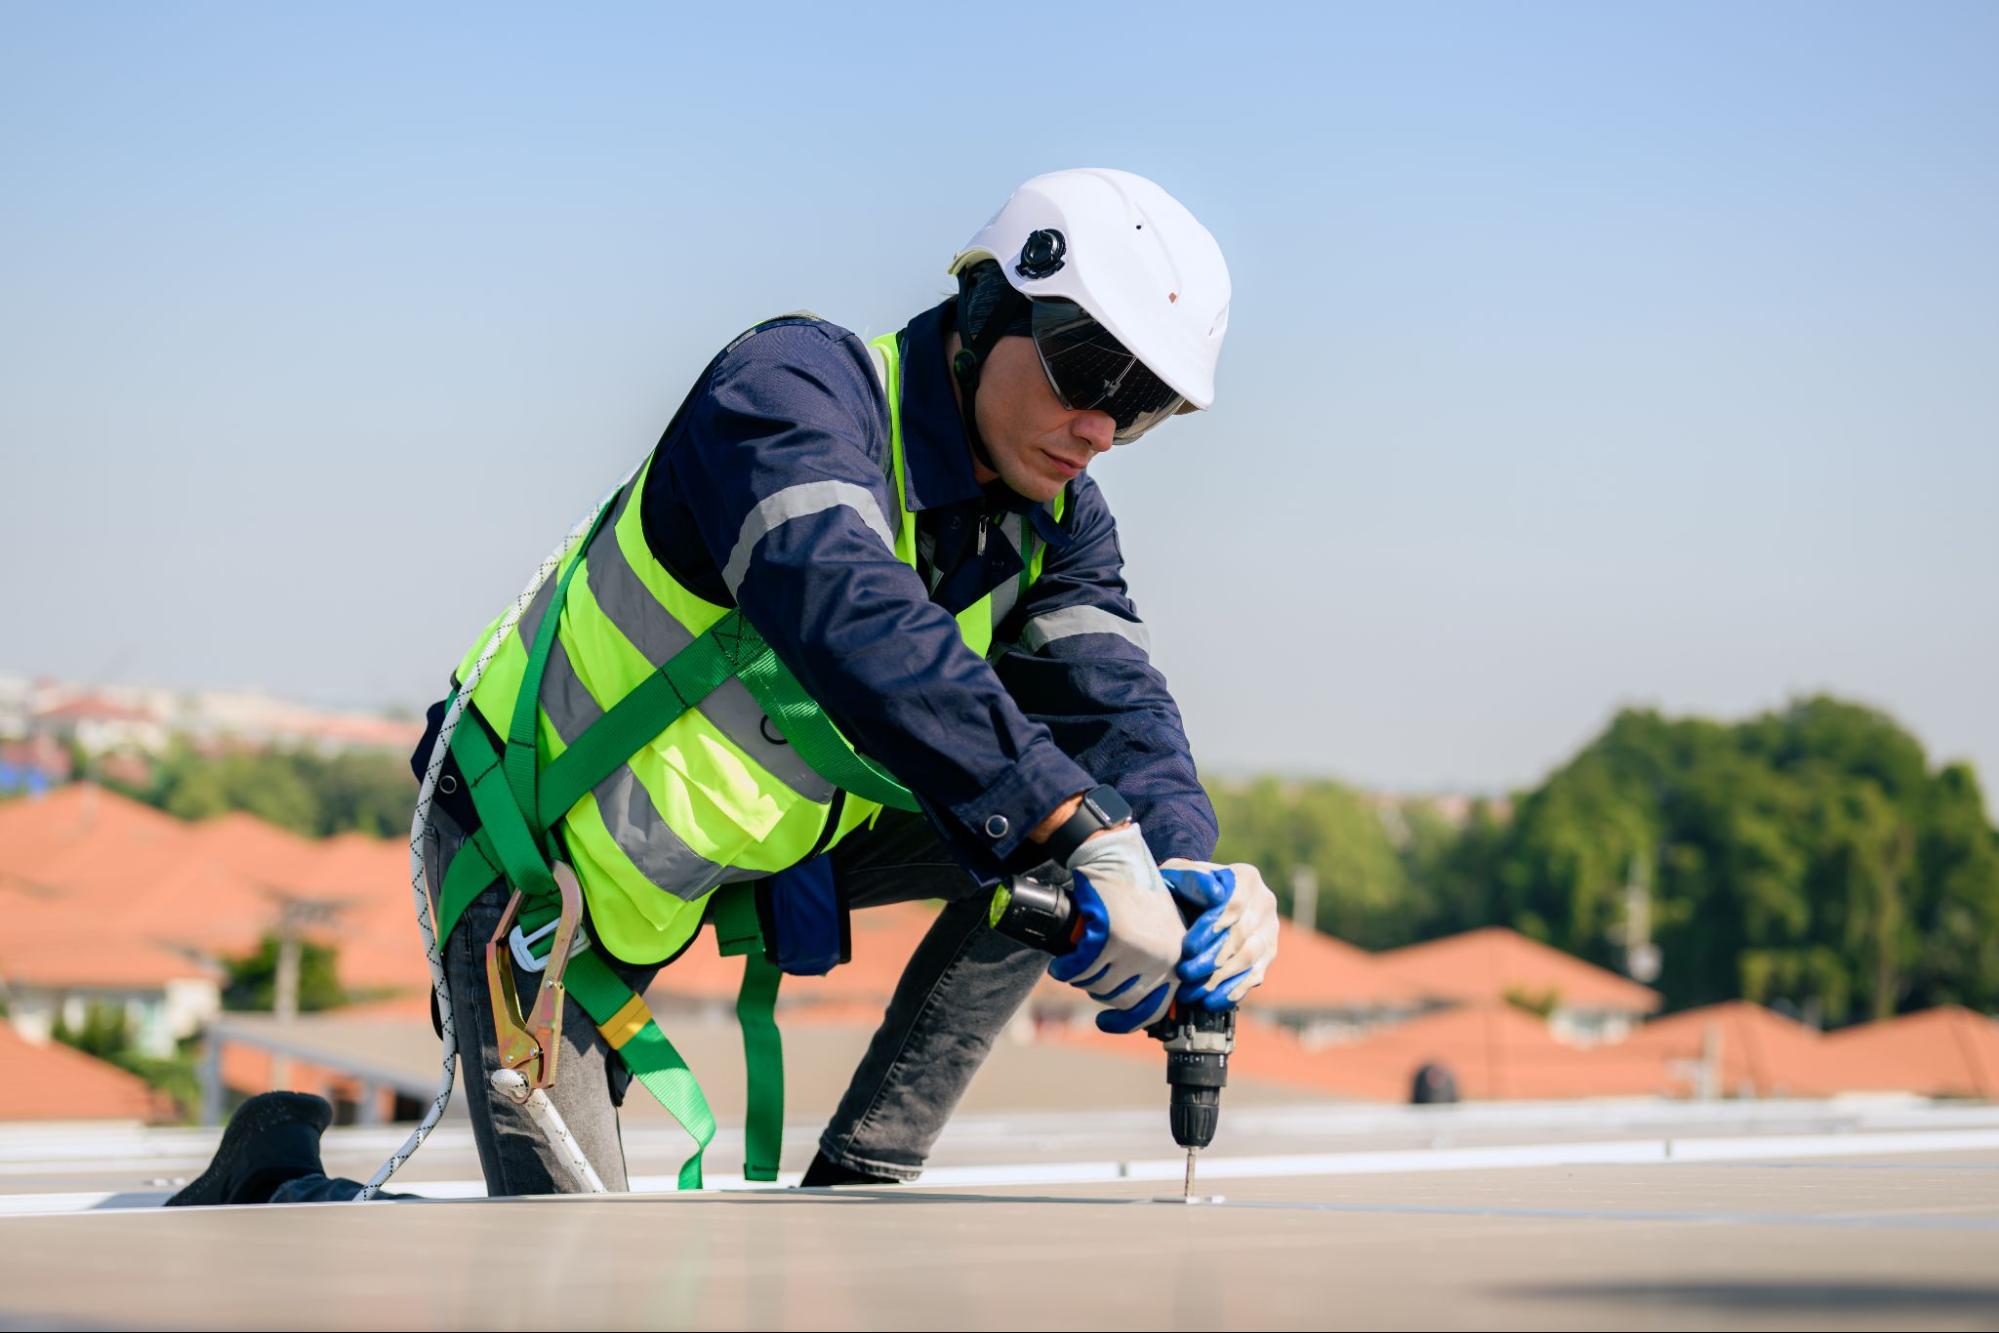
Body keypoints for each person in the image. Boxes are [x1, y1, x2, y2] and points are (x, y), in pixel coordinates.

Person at [169, 168, 1280, 1207]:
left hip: (729, 851)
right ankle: (275, 1188)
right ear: (988, 304)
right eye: (1088, 369)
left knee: (1082, 849)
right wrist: (1083, 823)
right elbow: (844, 606)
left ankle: (864, 1184)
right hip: (533, 855)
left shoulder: (1058, 520)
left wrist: (1177, 859)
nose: (1100, 426)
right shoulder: (792, 387)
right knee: (568, 1272)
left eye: (1143, 406)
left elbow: (1116, 705)